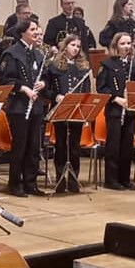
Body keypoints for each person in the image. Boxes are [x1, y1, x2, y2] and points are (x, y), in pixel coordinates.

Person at [0, 18, 48, 197]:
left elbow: (47, 77)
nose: (36, 32)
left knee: (34, 146)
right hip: (19, 107)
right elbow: (6, 80)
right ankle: (15, 183)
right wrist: (24, 89)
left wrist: (42, 83)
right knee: (19, 146)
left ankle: (31, 182)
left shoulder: (39, 55)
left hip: (35, 108)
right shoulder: (11, 53)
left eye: (37, 29)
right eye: (32, 29)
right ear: (22, 32)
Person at [46, 34, 91, 193]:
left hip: (77, 111)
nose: (76, 49)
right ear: (65, 47)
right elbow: (46, 89)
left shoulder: (83, 67)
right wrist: (56, 96)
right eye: (73, 45)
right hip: (60, 110)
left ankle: (73, 180)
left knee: (74, 147)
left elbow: (86, 90)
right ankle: (59, 179)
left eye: (78, 46)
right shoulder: (54, 66)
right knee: (60, 145)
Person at [96, 33, 135, 191]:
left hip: (129, 110)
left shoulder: (134, 65)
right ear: (116, 46)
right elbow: (101, 88)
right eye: (123, 43)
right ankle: (111, 179)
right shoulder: (107, 64)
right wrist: (116, 98)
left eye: (129, 43)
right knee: (113, 146)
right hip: (114, 109)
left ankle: (125, 178)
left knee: (127, 146)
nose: (127, 46)